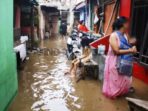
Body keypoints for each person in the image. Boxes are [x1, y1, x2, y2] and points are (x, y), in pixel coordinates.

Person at [102, 16, 137, 99]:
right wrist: (131, 50)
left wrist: (133, 45)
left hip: (125, 61)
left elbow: (128, 44)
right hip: (114, 61)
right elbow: (116, 51)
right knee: (115, 79)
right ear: (123, 24)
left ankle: (121, 93)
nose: (128, 25)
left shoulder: (125, 35)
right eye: (127, 23)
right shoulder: (113, 36)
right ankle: (112, 97)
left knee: (124, 78)